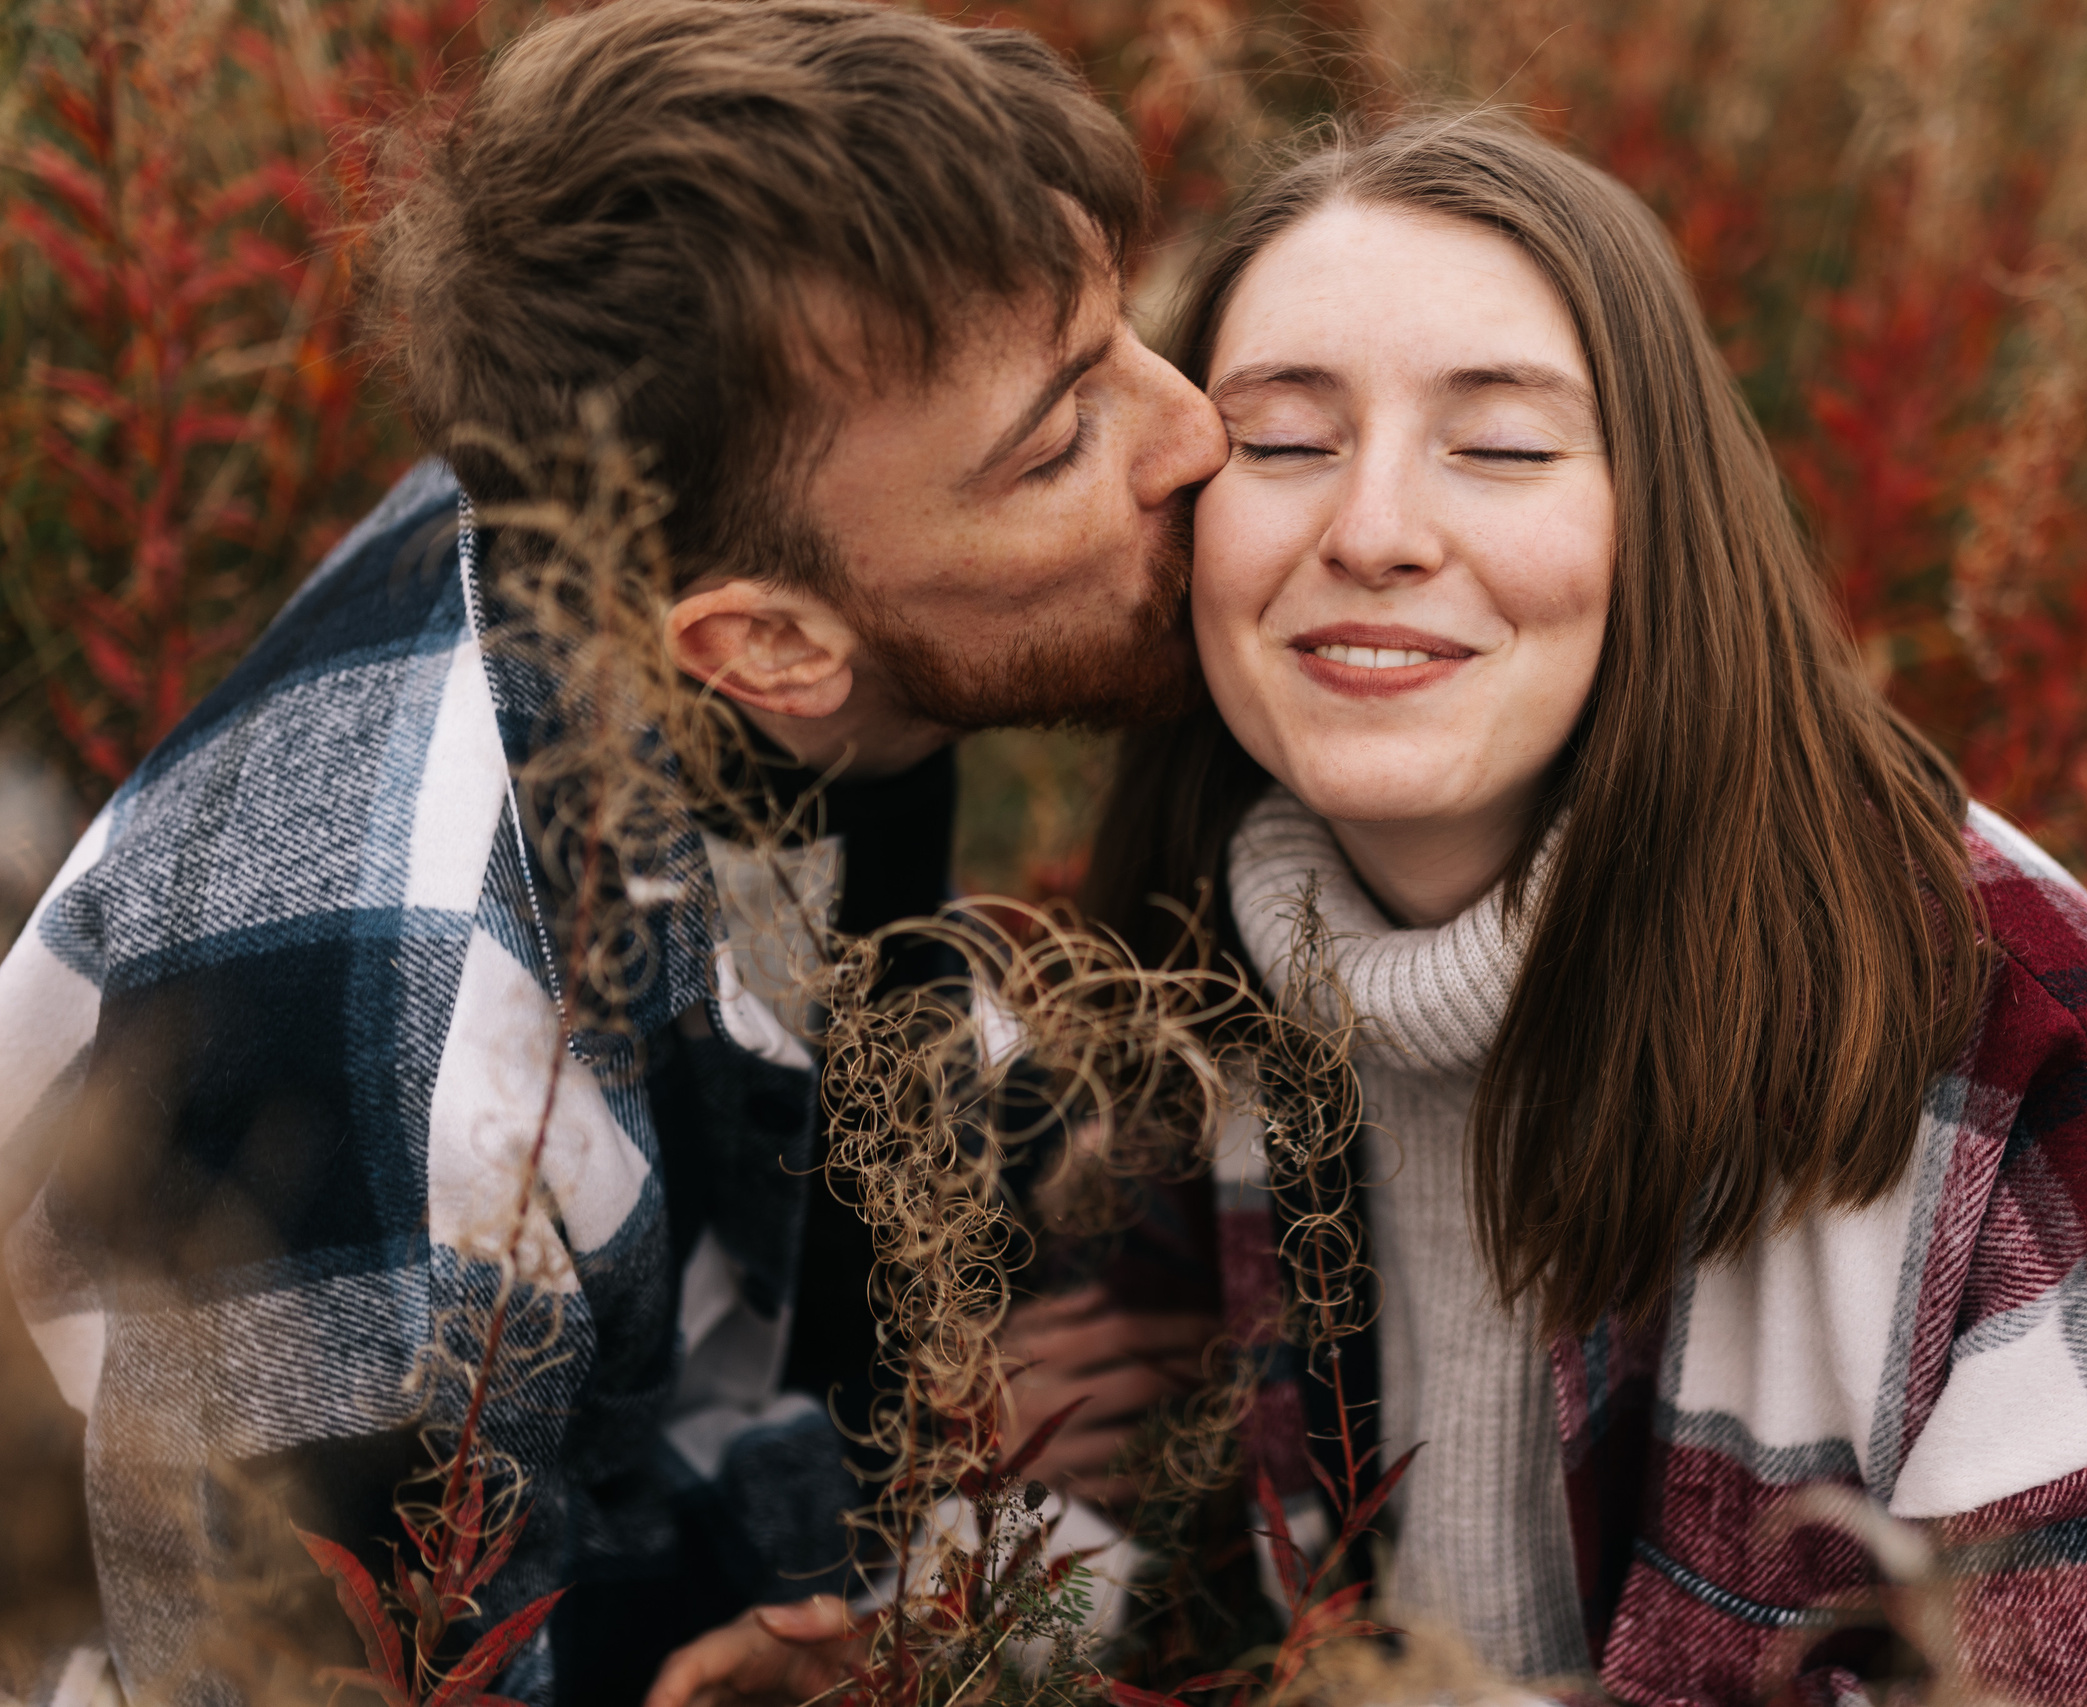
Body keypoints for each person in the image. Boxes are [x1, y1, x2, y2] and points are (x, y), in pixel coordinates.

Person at [0, 4, 1221, 1703]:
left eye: (1121, 341)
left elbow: (776, 1092)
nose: (1198, 437)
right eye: (1064, 435)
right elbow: (371, 1668)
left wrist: (991, 1329)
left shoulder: (680, 520)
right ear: (769, 644)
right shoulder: (406, 1057)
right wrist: (919, 1563)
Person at [1068, 116, 2087, 1703]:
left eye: (1506, 446)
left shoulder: (1984, 1008)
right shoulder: (1172, 986)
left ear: (1657, 519)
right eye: (1283, 441)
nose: (1373, 529)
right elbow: (1076, 1538)